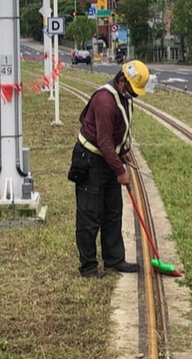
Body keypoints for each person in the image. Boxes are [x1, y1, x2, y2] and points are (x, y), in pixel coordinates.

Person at [69, 59, 151, 278]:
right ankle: (88, 267)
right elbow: (104, 143)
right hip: (91, 161)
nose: (134, 96)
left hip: (108, 157)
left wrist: (123, 151)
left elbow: (117, 133)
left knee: (113, 211)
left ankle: (114, 260)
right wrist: (120, 171)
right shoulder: (106, 101)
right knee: (90, 214)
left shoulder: (124, 98)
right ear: (122, 80)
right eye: (133, 91)